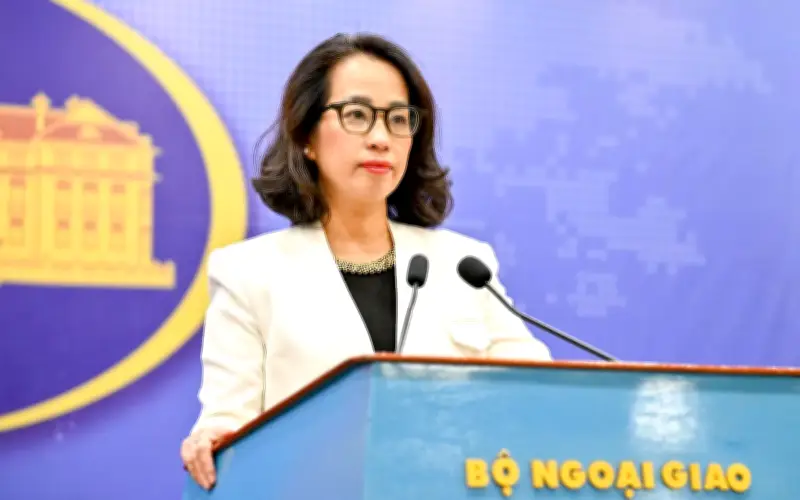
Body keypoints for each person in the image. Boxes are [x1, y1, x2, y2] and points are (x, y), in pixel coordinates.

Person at [180, 32, 552, 489]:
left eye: (398, 119)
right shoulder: (249, 273)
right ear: (306, 136)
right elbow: (227, 421)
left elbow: (535, 390)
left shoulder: (464, 264)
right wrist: (214, 438)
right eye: (356, 115)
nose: (381, 138)